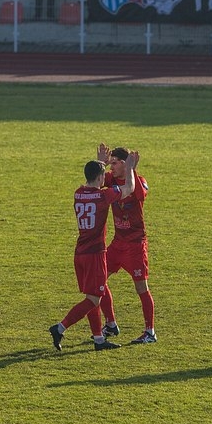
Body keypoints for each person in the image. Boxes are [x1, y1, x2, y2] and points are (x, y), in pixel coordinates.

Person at [49, 152, 139, 352]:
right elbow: (129, 188)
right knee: (93, 300)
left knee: (92, 295)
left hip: (79, 253)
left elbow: (94, 183)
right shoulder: (103, 196)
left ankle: (99, 339)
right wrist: (130, 168)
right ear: (100, 178)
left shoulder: (78, 193)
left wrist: (101, 164)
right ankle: (60, 327)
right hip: (95, 255)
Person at [95, 145, 156, 345]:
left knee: (141, 288)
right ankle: (111, 324)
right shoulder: (111, 179)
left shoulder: (140, 180)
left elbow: (140, 195)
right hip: (117, 243)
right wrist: (101, 163)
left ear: (124, 163)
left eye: (114, 163)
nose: (111, 167)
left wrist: (131, 170)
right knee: (98, 280)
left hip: (135, 245)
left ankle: (150, 332)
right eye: (110, 164)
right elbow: (94, 185)